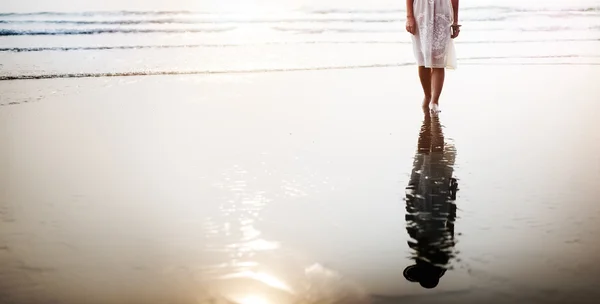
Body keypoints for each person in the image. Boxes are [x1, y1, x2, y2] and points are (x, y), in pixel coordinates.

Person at [403, 109, 458, 289]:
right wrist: (452, 195)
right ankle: (433, 116)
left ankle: (428, 117)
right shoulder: (439, 252)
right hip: (434, 206)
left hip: (421, 204)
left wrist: (410, 198)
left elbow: (411, 220)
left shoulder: (419, 248)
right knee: (432, 159)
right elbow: (450, 223)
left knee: (423, 158)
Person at [405, 0, 460, 113]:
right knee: (422, 58)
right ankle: (428, 96)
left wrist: (455, 21)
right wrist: (409, 17)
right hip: (420, 11)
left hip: (442, 11)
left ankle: (435, 102)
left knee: (439, 59)